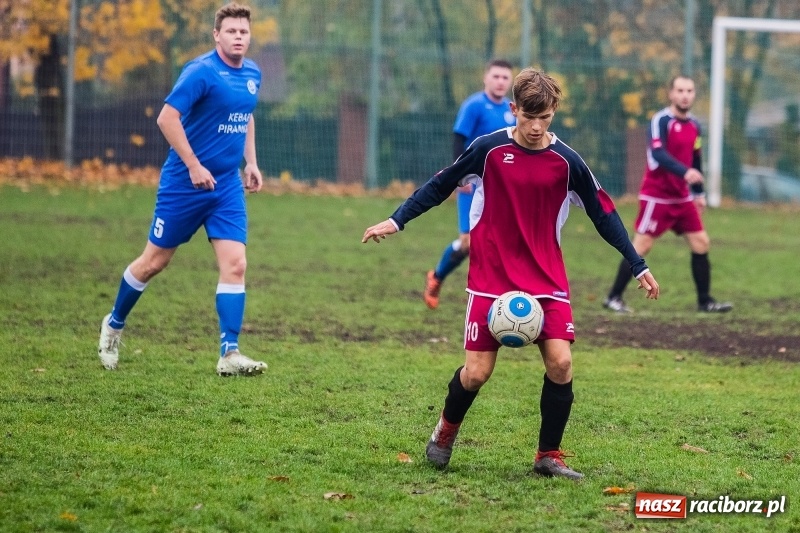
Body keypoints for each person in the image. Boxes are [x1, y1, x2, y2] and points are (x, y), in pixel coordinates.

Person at [362, 68, 660, 479]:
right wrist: (396, 221)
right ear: (513, 109)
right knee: (477, 373)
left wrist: (637, 262)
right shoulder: (487, 150)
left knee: (561, 364)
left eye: (545, 119)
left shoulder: (567, 162)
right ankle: (445, 433)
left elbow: (603, 213)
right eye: (528, 118)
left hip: (546, 279)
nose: (536, 128)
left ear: (554, 112)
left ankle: (548, 456)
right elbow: (439, 184)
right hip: (491, 277)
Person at [97, 2, 268, 377]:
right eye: (232, 31)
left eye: (244, 32)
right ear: (216, 35)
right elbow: (166, 117)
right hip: (184, 185)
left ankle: (229, 352)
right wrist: (193, 165)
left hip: (225, 187)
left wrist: (250, 162)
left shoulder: (252, 73)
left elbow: (244, 116)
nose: (239, 37)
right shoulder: (201, 72)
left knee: (236, 264)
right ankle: (113, 325)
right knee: (154, 263)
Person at [603, 75, 732, 314]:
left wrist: (699, 192)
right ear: (671, 94)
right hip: (657, 197)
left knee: (701, 242)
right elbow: (658, 154)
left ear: (694, 94)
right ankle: (614, 297)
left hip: (682, 198)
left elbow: (695, 158)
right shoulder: (661, 120)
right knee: (641, 245)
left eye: (689, 91)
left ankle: (705, 301)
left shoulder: (694, 125)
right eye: (680, 90)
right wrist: (686, 173)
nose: (685, 95)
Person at [423, 59, 516, 310]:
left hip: (501, 188)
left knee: (501, 240)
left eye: (505, 78)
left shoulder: (512, 110)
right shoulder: (474, 105)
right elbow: (458, 140)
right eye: (495, 76)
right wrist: (458, 175)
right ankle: (437, 277)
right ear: (486, 78)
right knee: (468, 242)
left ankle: (497, 294)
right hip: (472, 184)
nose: (500, 81)